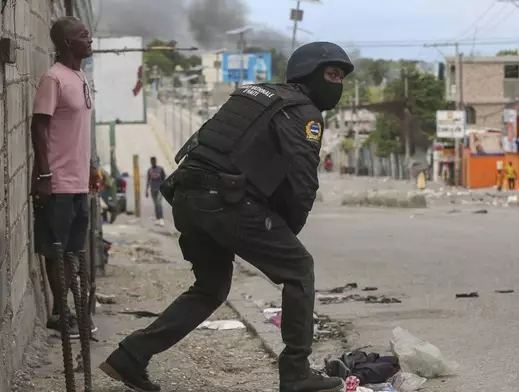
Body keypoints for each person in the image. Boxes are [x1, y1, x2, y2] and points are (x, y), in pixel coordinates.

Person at [100, 41, 354, 392]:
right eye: (331, 74)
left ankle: (130, 355)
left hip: (187, 196)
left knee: (211, 288)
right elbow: (302, 180)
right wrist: (286, 232)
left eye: (341, 77)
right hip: (225, 201)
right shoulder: (304, 111)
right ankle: (295, 372)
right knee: (299, 270)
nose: (337, 83)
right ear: (307, 74)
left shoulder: (252, 94)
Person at [31, 16, 97, 338]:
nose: (90, 39)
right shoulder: (53, 79)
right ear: (69, 42)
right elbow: (38, 127)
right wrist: (44, 175)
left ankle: (71, 311)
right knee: (55, 249)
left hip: (78, 181)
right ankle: (61, 312)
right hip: (56, 182)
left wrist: (91, 168)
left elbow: (79, 132)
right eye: (84, 35)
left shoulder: (79, 76)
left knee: (71, 249)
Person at [146, 156, 166, 226]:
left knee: (158, 203)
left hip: (159, 189)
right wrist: (146, 190)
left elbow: (164, 178)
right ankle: (157, 218)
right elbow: (148, 180)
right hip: (152, 189)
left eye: (154, 161)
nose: (153, 163)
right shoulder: (149, 170)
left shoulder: (160, 169)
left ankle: (161, 218)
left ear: (155, 161)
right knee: (155, 204)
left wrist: (164, 187)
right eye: (151, 161)